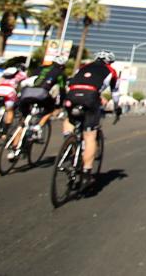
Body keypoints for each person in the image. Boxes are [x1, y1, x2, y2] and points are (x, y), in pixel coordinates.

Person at [65, 50, 120, 189]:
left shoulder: (82, 67)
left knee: (69, 118)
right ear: (110, 61)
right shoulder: (111, 71)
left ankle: (69, 141)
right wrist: (117, 108)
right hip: (90, 97)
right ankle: (86, 172)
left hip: (71, 95)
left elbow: (71, 82)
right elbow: (115, 93)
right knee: (90, 136)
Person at [16, 56, 68, 143]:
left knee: (24, 120)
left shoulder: (39, 68)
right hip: (42, 93)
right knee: (50, 110)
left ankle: (14, 147)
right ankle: (38, 127)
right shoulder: (61, 73)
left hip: (26, 92)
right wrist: (59, 106)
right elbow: (62, 90)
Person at [0, 63, 27, 138]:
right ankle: (4, 133)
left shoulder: (7, 71)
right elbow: (25, 84)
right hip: (10, 91)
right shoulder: (22, 74)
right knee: (10, 110)